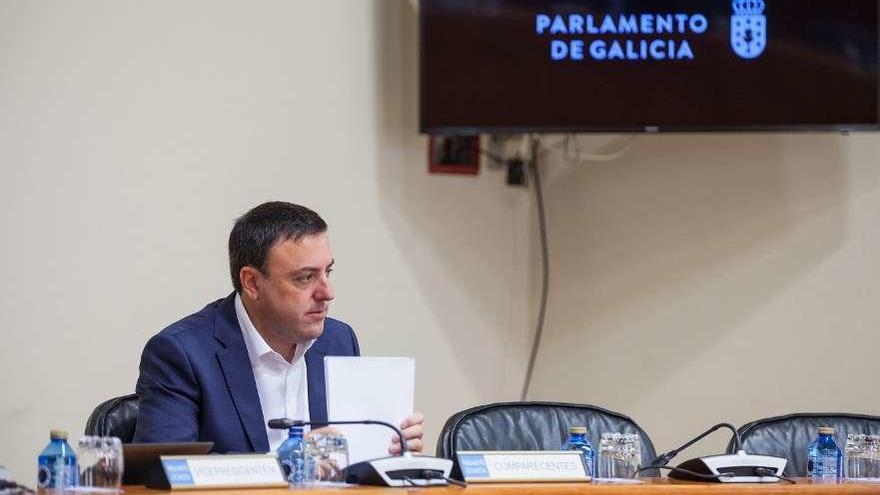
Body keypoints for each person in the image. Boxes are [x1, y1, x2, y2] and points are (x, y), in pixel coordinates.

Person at [133, 201, 424, 454]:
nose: (327, 292)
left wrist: (388, 450)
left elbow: (350, 469)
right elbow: (165, 471)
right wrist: (285, 464)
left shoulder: (338, 340)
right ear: (252, 282)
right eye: (305, 278)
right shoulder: (182, 353)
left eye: (327, 272)